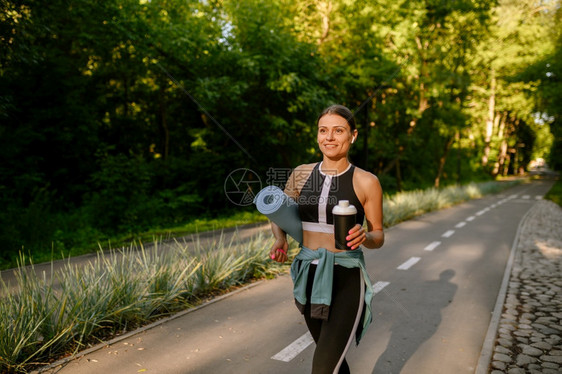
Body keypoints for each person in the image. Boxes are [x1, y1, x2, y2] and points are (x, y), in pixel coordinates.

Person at [269, 104, 385, 373]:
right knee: (332, 359)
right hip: (307, 275)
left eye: (338, 130)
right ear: (317, 135)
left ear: (353, 136)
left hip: (345, 277)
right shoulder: (301, 174)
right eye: (323, 130)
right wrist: (280, 239)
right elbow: (279, 215)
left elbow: (378, 235)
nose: (329, 137)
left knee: (323, 366)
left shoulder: (366, 181)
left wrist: (365, 236)